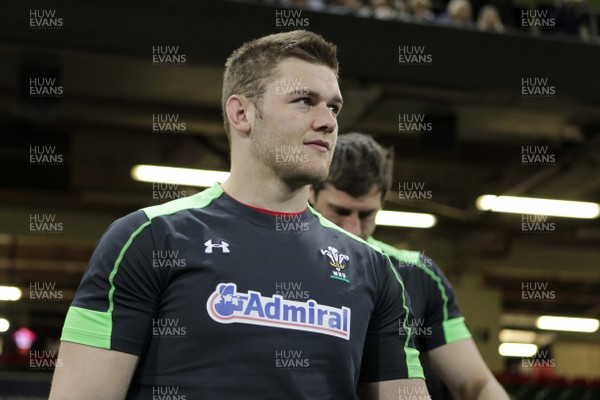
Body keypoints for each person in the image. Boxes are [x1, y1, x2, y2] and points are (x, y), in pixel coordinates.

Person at [49, 31, 429, 399]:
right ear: (242, 113)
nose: (328, 121)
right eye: (304, 100)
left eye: (333, 106)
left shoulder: (373, 268)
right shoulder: (148, 238)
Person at [310, 132, 511, 400]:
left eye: (366, 214)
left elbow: (477, 385)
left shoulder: (418, 275)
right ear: (311, 192)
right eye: (341, 211)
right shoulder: (288, 263)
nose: (353, 228)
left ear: (382, 202)